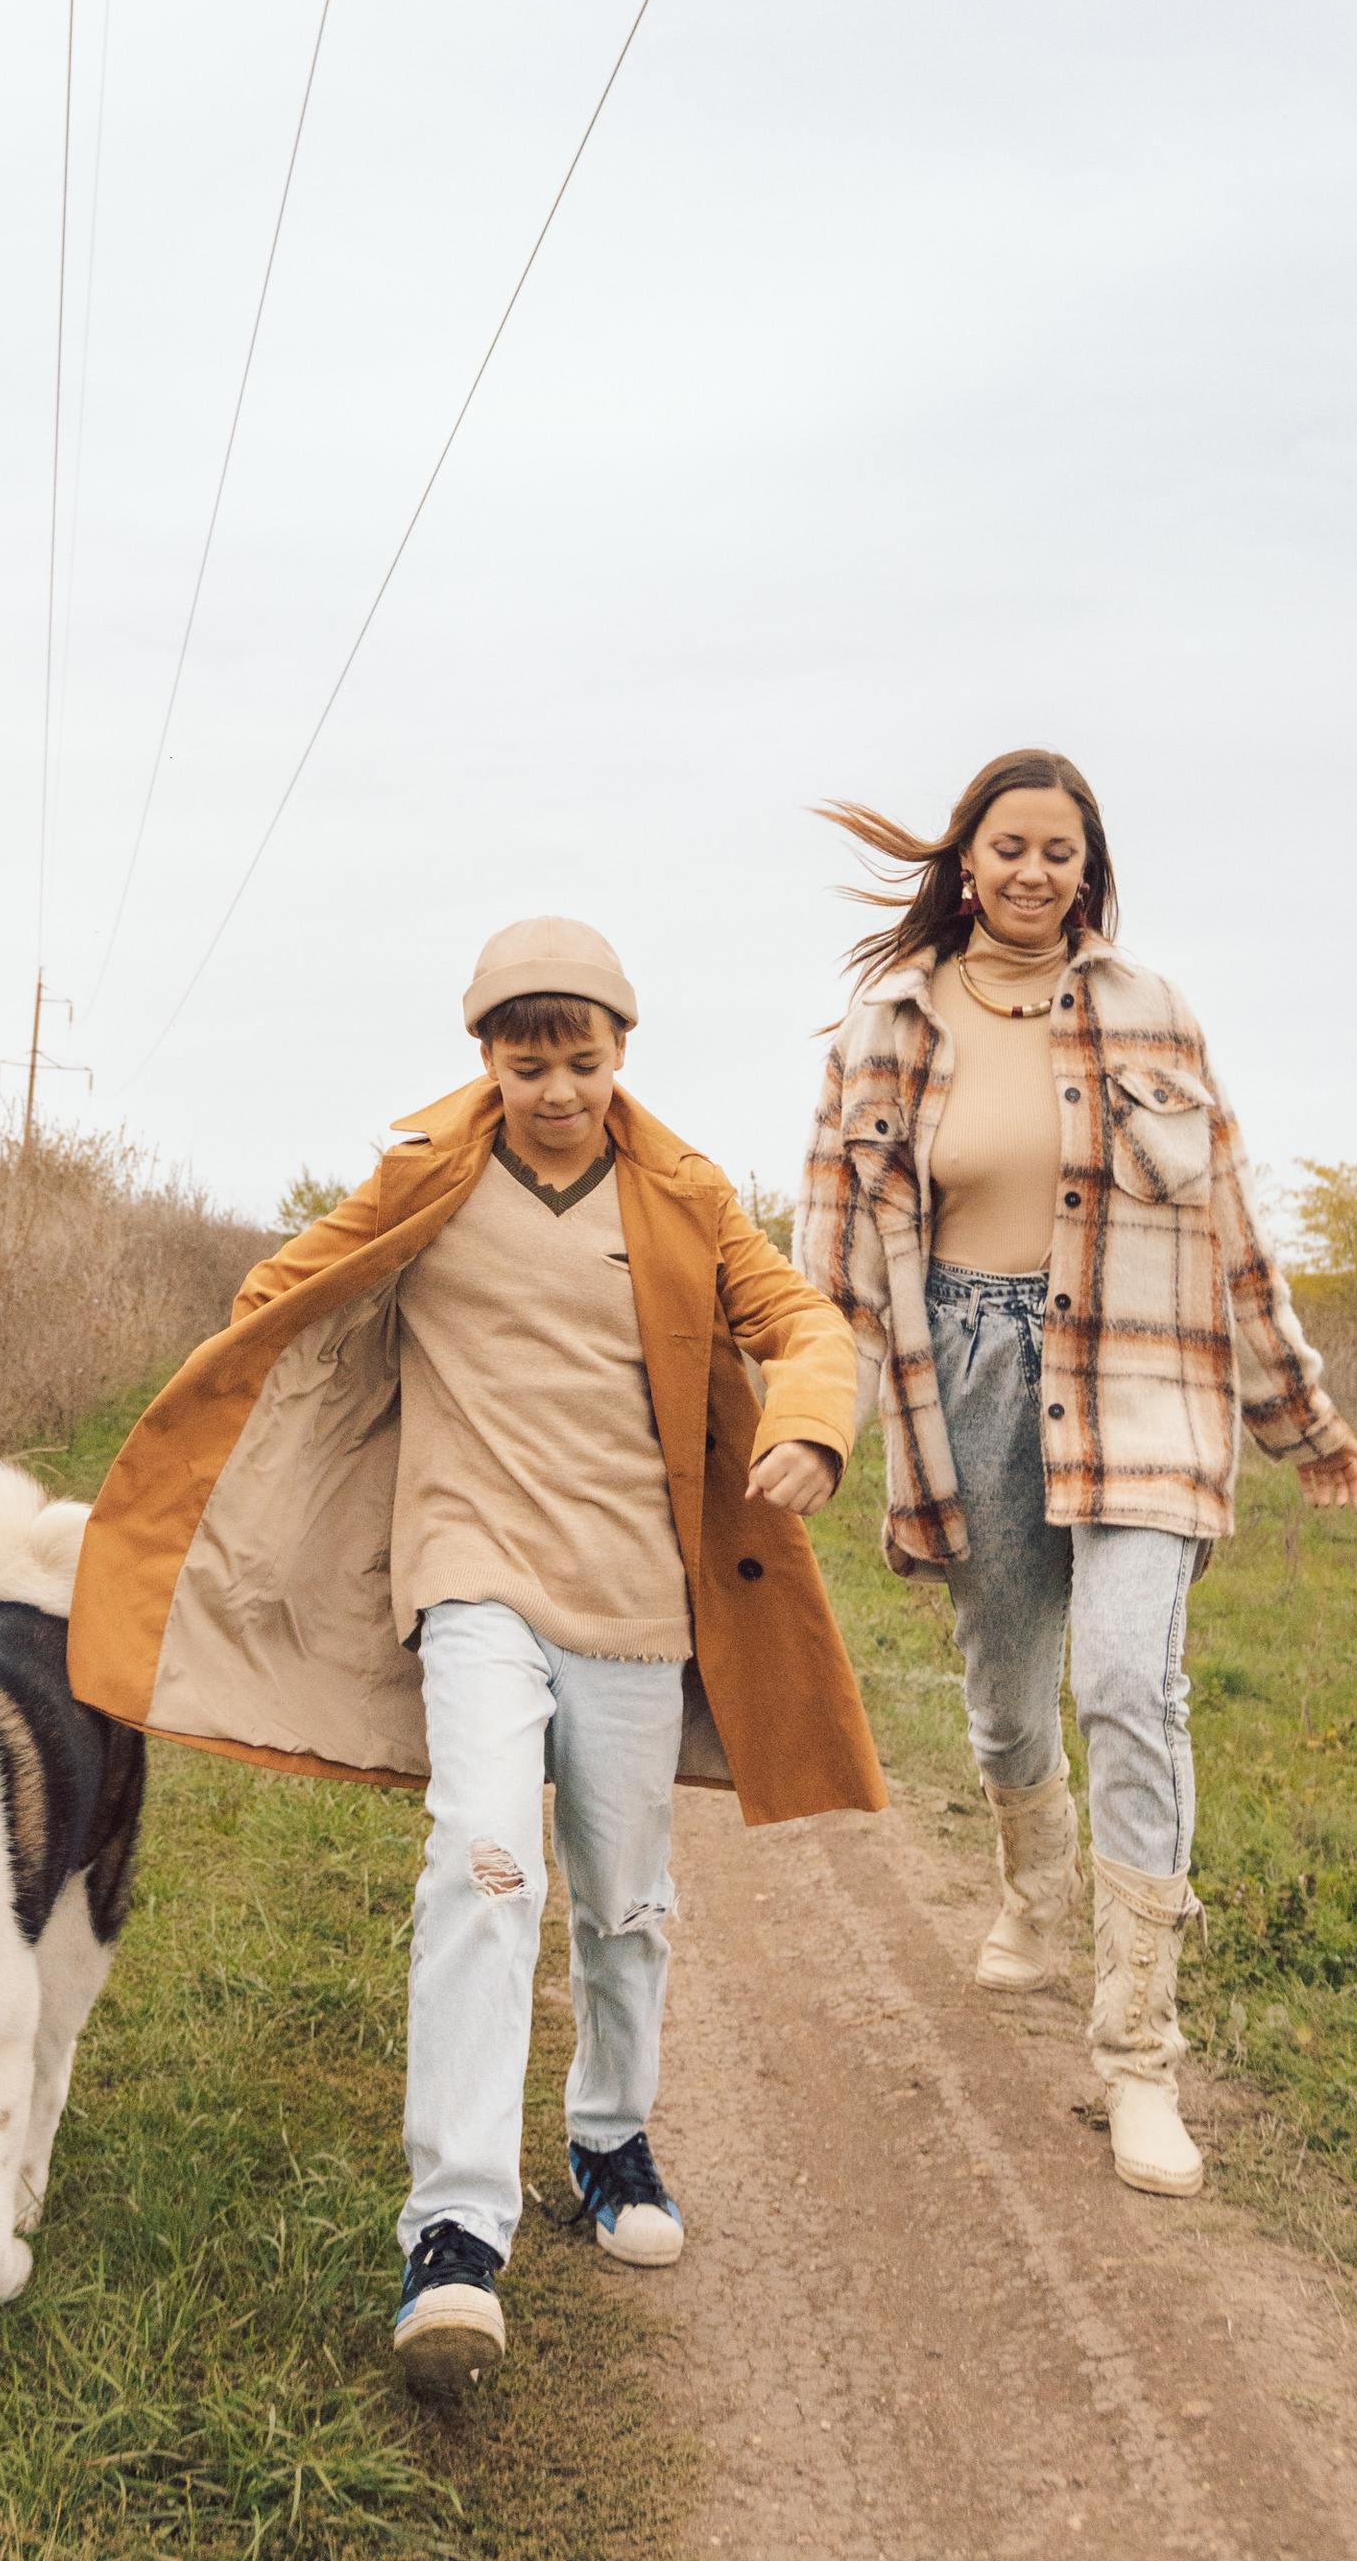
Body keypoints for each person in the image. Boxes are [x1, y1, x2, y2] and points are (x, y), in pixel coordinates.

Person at [69, 917, 882, 2400]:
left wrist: (809, 1423)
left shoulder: (686, 1194)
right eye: (527, 1059)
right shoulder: (424, 1176)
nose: (557, 1087)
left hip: (637, 1596)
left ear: (622, 1052)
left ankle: (607, 2137)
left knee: (625, 1897)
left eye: (582, 1058)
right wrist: (260, 1404)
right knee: (484, 1863)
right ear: (484, 1056)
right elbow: (284, 1294)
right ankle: (454, 2230)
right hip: (470, 1577)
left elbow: (806, 1324)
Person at [796, 748, 1357, 2201]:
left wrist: (1300, 1413)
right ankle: (1029, 1881)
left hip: (1142, 1378)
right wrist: (808, 1424)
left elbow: (1234, 1229)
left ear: (1089, 866)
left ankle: (1138, 2058)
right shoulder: (881, 1031)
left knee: (1129, 1680)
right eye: (1010, 846)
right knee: (1005, 1696)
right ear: (967, 859)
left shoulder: (1154, 1014)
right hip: (969, 1379)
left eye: (1061, 850)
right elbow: (831, 1274)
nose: (1034, 871)